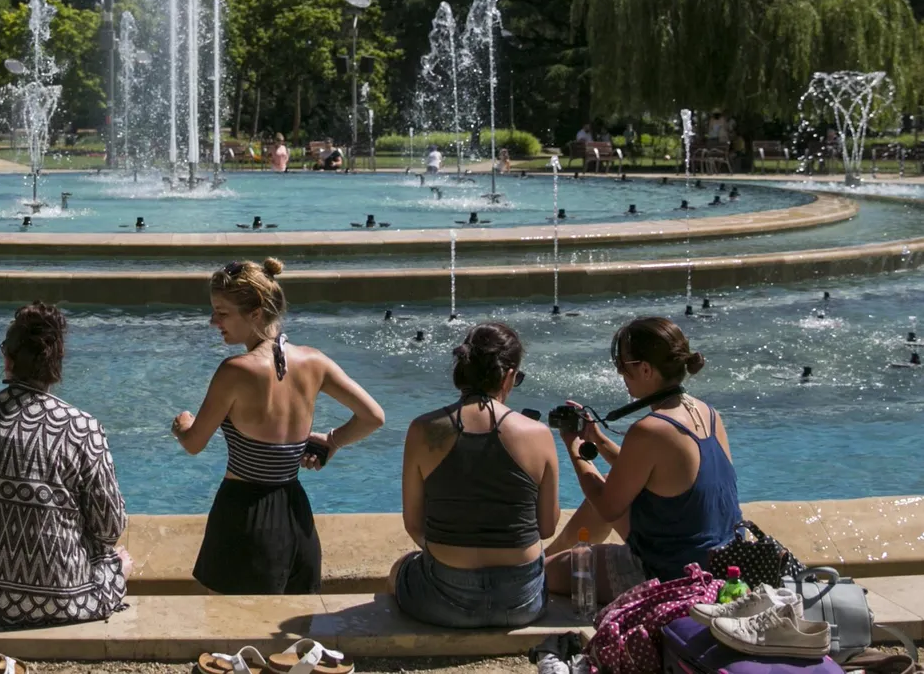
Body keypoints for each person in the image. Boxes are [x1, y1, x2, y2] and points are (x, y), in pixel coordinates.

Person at [173, 259, 385, 594]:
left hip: (243, 518)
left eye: (222, 312)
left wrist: (183, 425)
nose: (213, 321)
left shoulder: (236, 371)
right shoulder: (315, 361)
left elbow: (194, 442)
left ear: (255, 313)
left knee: (229, 633)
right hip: (296, 517)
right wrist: (332, 440)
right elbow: (373, 416)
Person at [0, 302, 132, 630]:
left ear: (8, 359)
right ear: (57, 364)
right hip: (59, 600)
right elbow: (109, 527)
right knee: (118, 561)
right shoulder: (81, 427)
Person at [545, 317, 741, 602]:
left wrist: (573, 445)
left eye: (623, 367)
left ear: (646, 369)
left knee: (545, 575)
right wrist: (598, 440)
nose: (621, 375)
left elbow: (608, 507)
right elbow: (653, 473)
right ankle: (553, 554)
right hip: (719, 565)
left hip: (670, 575)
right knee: (614, 488)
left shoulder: (650, 430)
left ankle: (545, 563)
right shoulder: (709, 413)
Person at [390, 323, 559, 628]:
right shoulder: (538, 434)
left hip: (444, 601)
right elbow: (546, 527)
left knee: (400, 568)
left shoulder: (424, 429)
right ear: (508, 376)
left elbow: (414, 525)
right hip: (521, 602)